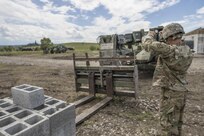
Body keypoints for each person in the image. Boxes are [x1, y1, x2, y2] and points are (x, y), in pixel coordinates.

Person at [142, 23, 193, 136]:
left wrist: (149, 35)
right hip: (181, 92)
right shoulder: (188, 50)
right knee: (177, 123)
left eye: (166, 38)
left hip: (170, 93)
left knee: (167, 126)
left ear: (170, 37)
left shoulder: (168, 50)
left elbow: (147, 45)